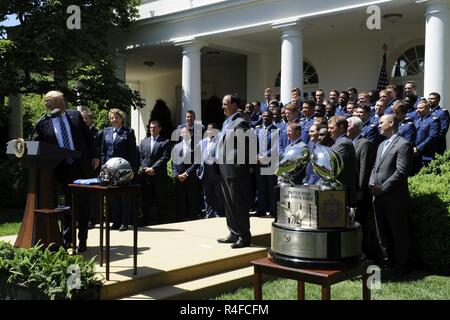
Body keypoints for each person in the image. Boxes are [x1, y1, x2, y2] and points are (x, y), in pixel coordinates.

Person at [34, 91, 99, 252]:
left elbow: (89, 137)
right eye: (60, 100)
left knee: (83, 205)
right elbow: (39, 146)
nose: (64, 102)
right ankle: (67, 240)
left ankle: (82, 240)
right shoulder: (43, 123)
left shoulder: (74, 115)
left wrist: (95, 155)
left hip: (81, 167)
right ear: (50, 105)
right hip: (60, 170)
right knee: (65, 207)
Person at [369, 114, 413, 274]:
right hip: (378, 197)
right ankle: (386, 263)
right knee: (382, 234)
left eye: (381, 122)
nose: (378, 125)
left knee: (398, 233)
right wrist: (372, 183)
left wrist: (383, 188)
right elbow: (375, 168)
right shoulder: (381, 145)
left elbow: (401, 172)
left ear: (392, 122)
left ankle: (400, 266)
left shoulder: (403, 144)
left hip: (394, 199)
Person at [216, 94, 252, 248]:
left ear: (235, 105)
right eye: (222, 104)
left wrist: (239, 167)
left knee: (238, 204)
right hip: (224, 169)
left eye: (225, 104)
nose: (223, 107)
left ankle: (244, 236)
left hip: (235, 171)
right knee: (229, 204)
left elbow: (247, 148)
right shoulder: (227, 122)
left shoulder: (241, 123)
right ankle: (233, 232)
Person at [101, 108, 138, 231]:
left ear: (121, 118)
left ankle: (125, 222)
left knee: (124, 197)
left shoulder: (129, 132)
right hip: (110, 171)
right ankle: (115, 222)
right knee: (113, 197)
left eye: (116, 117)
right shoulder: (106, 132)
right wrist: (103, 168)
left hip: (124, 170)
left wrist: (132, 170)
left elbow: (133, 153)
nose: (114, 120)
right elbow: (103, 152)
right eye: (112, 118)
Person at [139, 120, 171, 224]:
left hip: (159, 177)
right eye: (151, 127)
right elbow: (141, 157)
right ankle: (145, 222)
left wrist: (153, 168)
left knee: (161, 201)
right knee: (146, 201)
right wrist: (145, 169)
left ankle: (163, 222)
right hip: (146, 177)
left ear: (159, 129)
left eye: (154, 127)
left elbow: (165, 157)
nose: (152, 129)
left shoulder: (165, 142)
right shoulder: (144, 142)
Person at [172, 127, 202, 221]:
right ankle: (180, 220)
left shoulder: (196, 146)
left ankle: (193, 219)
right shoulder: (177, 146)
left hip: (190, 177)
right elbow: (174, 162)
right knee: (180, 201)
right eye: (183, 132)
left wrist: (186, 173)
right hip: (179, 178)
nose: (185, 134)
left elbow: (197, 162)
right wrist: (177, 175)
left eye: (187, 132)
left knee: (192, 200)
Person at [328, 116, 358, 207]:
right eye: (328, 128)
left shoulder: (343, 143)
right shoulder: (337, 143)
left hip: (341, 191)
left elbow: (334, 166)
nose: (329, 130)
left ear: (341, 128)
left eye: (332, 128)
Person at [81, 110, 101, 229]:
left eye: (85, 118)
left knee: (93, 195)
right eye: (82, 119)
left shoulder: (97, 133)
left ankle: (93, 219)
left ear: (91, 119)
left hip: (94, 167)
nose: (83, 121)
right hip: (82, 167)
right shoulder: (79, 132)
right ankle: (84, 218)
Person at [198, 123, 224, 218]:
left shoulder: (219, 142)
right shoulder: (202, 142)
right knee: (207, 195)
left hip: (216, 172)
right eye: (209, 130)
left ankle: (219, 213)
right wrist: (198, 169)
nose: (210, 132)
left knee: (218, 194)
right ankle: (209, 214)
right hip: (205, 173)